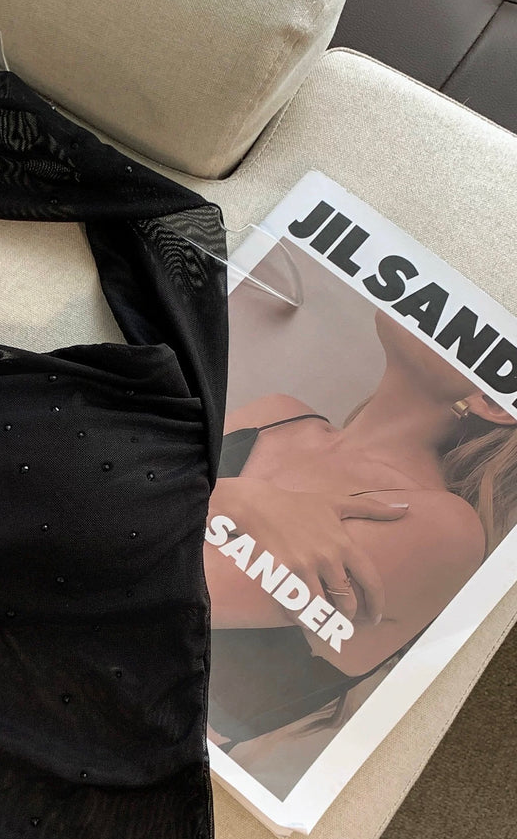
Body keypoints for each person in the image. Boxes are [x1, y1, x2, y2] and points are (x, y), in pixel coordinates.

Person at [205, 307, 517, 754]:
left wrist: (226, 495)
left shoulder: (444, 531)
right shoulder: (281, 415)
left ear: (493, 402)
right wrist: (236, 500)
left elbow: (150, 581)